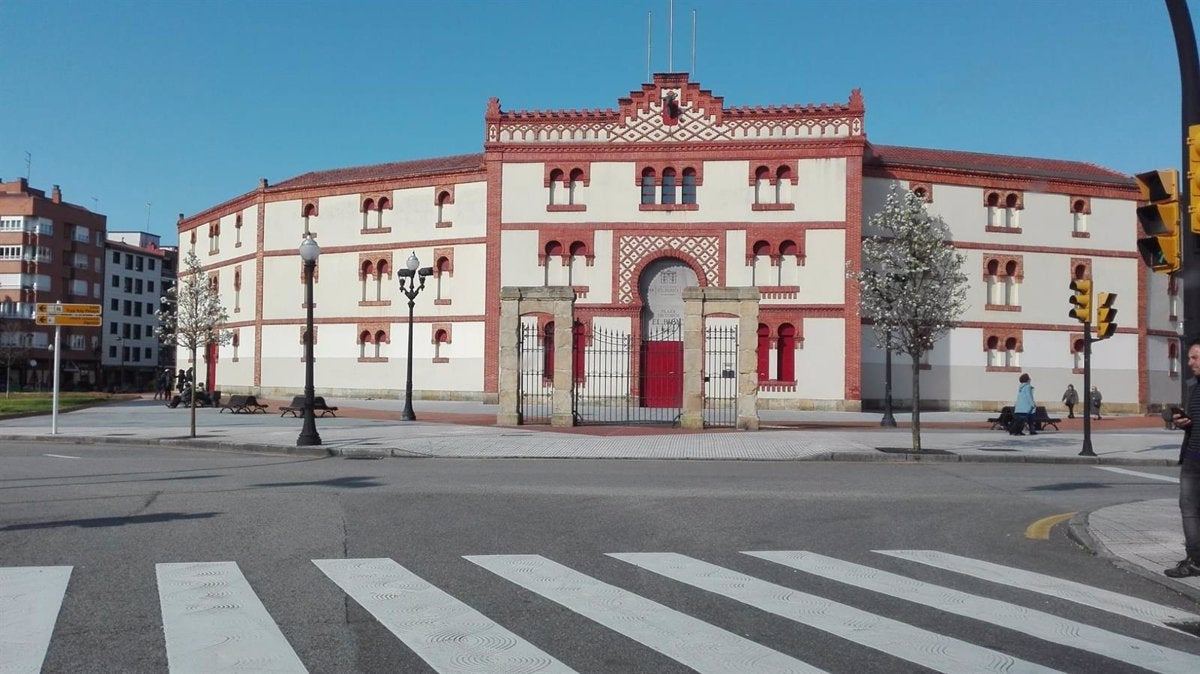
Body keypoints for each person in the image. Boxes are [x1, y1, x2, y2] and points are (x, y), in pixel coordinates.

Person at [1166, 338, 1200, 578]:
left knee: (1191, 509)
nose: (1189, 363)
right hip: (1191, 457)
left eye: (1195, 358)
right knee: (1188, 508)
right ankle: (1195, 559)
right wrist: (1182, 421)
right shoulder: (1194, 385)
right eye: (1189, 358)